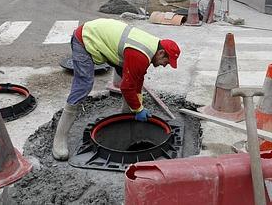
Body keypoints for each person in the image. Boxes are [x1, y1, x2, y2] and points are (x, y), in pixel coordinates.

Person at [52, 18, 181, 160]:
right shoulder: (140, 55)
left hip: (110, 45)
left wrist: (138, 104)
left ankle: (125, 118)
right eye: (166, 62)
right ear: (161, 53)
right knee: (84, 85)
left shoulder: (151, 47)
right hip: (85, 39)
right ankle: (60, 139)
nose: (164, 65)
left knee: (131, 79)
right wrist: (138, 109)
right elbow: (127, 87)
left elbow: (138, 78)